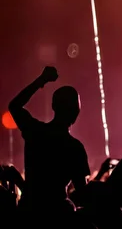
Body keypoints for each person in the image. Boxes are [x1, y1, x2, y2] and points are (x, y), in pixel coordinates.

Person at [9, 66, 90, 207]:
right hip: (58, 216)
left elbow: (14, 106)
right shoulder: (75, 148)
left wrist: (42, 80)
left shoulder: (35, 131)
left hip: (29, 212)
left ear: (53, 106)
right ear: (77, 111)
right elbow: (83, 194)